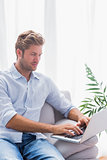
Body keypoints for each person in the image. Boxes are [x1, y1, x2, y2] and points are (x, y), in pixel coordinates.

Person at [0, 30, 98, 160]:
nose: (37, 60)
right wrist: (53, 129)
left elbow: (67, 107)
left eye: (40, 55)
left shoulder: (45, 82)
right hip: (6, 139)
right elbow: (10, 120)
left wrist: (81, 117)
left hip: (34, 140)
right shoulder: (3, 80)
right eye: (33, 54)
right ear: (19, 52)